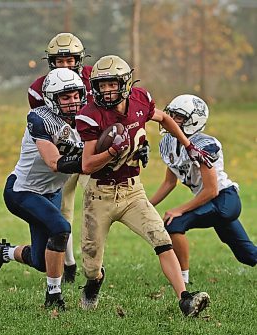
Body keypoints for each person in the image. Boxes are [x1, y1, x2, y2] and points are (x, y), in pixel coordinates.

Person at [75, 55, 215, 316]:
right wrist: (112, 153)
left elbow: (163, 118)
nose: (106, 90)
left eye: (112, 84)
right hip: (99, 195)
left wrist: (188, 145)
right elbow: (86, 165)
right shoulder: (90, 115)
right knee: (91, 264)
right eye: (101, 85)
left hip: (132, 191)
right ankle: (94, 283)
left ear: (125, 83)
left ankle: (184, 298)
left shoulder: (140, 99)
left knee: (161, 239)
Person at [0, 67, 86, 309]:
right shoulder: (40, 118)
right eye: (65, 97)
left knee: (41, 260)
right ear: (51, 98)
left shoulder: (86, 119)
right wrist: (98, 157)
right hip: (23, 191)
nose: (73, 102)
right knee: (61, 228)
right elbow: (53, 163)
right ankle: (53, 296)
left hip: (51, 193)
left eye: (76, 96)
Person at [149, 94, 257, 284]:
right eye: (171, 115)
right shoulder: (169, 143)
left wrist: (179, 209)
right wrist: (146, 205)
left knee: (174, 223)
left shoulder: (204, 145)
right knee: (248, 256)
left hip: (225, 200)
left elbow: (212, 190)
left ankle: (182, 279)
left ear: (194, 120)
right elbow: (169, 183)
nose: (172, 120)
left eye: (178, 117)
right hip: (211, 201)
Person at [27, 32, 92, 283]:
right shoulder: (38, 90)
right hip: (64, 154)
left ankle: (93, 263)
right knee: (64, 208)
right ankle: (69, 262)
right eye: (59, 60)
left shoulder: (93, 79)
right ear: (50, 61)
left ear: (80, 59)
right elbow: (46, 128)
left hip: (92, 151)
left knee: (92, 202)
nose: (65, 65)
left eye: (70, 60)